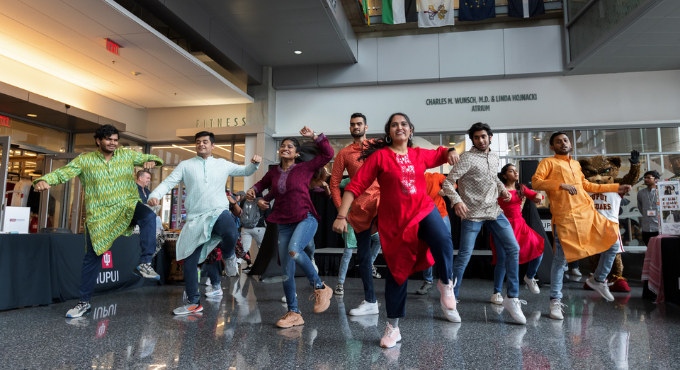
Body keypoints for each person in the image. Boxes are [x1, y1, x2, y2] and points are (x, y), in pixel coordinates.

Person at [333, 113, 460, 348]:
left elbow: (442, 152)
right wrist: (342, 215)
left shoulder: (419, 154)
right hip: (394, 223)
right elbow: (355, 186)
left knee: (443, 238)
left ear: (410, 130)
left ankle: (445, 282)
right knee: (397, 274)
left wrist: (451, 150)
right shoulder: (380, 157)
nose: (399, 127)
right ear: (388, 132)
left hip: (422, 209)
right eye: (394, 125)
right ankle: (393, 327)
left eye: (403, 124)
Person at [33, 124, 163, 318]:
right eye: (109, 139)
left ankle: (144, 263)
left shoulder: (127, 156)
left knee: (149, 216)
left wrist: (152, 160)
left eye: (115, 139)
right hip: (100, 216)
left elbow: (155, 159)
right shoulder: (85, 160)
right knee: (92, 259)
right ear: (98, 140)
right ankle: (84, 303)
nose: (113, 143)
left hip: (127, 205)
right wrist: (43, 180)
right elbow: (64, 173)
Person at [148, 131, 261, 315]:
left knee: (231, 231)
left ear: (212, 145)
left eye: (205, 142)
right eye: (198, 142)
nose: (201, 144)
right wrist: (154, 195)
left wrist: (255, 164)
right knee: (189, 261)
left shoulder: (222, 164)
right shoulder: (185, 165)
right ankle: (193, 302)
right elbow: (168, 182)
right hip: (195, 219)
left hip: (217, 211)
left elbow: (245, 171)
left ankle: (230, 256)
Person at [532, 132, 631, 320]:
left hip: (587, 213)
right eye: (558, 142)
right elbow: (536, 181)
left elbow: (586, 185)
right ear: (552, 147)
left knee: (612, 244)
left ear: (571, 144)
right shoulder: (548, 163)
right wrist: (561, 185)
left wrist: (616, 187)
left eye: (566, 140)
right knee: (561, 260)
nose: (563, 143)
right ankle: (555, 301)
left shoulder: (576, 164)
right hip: (565, 218)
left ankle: (598, 279)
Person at [247, 126, 334, 329]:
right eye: (283, 146)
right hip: (283, 222)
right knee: (287, 271)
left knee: (294, 251)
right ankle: (294, 312)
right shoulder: (274, 173)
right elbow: (261, 185)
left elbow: (328, 154)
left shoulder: (306, 167)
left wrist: (315, 136)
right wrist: (254, 192)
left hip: (306, 217)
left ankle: (321, 287)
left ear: (297, 153)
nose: (285, 148)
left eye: (290, 146)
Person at [442, 122, 526, 325]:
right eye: (477, 137)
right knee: (464, 256)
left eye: (483, 136)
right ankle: (450, 300)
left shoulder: (494, 156)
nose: (481, 140)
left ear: (490, 137)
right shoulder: (467, 158)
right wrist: (457, 200)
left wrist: (502, 189)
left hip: (494, 211)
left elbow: (492, 177)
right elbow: (447, 182)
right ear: (473, 140)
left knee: (513, 248)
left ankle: (511, 298)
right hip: (472, 214)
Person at [329, 113, 383, 316]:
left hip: (383, 203)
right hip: (360, 209)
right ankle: (371, 301)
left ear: (366, 127)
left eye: (359, 124)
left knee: (398, 246)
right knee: (362, 254)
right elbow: (334, 184)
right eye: (352, 124)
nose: (356, 127)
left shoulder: (377, 145)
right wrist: (341, 212)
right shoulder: (344, 154)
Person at [489, 163, 545, 305]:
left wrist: (538, 195)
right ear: (504, 175)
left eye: (516, 171)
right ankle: (496, 292)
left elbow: (534, 195)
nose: (515, 173)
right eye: (511, 171)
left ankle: (530, 276)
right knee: (502, 259)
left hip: (520, 224)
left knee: (539, 247)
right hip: (502, 225)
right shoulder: (498, 189)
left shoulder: (521, 188)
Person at [334, 177, 382, 297]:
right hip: (352, 221)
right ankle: (340, 284)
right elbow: (336, 185)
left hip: (368, 220)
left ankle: (369, 263)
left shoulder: (375, 180)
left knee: (378, 240)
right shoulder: (351, 179)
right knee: (348, 253)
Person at [416, 171, 452, 295]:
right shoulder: (412, 179)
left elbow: (451, 183)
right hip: (423, 216)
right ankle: (428, 281)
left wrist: (446, 190)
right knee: (426, 249)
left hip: (441, 214)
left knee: (446, 247)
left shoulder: (435, 176)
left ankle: (448, 282)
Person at [638, 170, 660, 245]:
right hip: (646, 227)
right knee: (649, 248)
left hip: (658, 227)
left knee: (660, 249)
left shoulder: (660, 191)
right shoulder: (641, 193)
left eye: (648, 178)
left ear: (656, 179)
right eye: (645, 178)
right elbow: (640, 207)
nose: (646, 179)